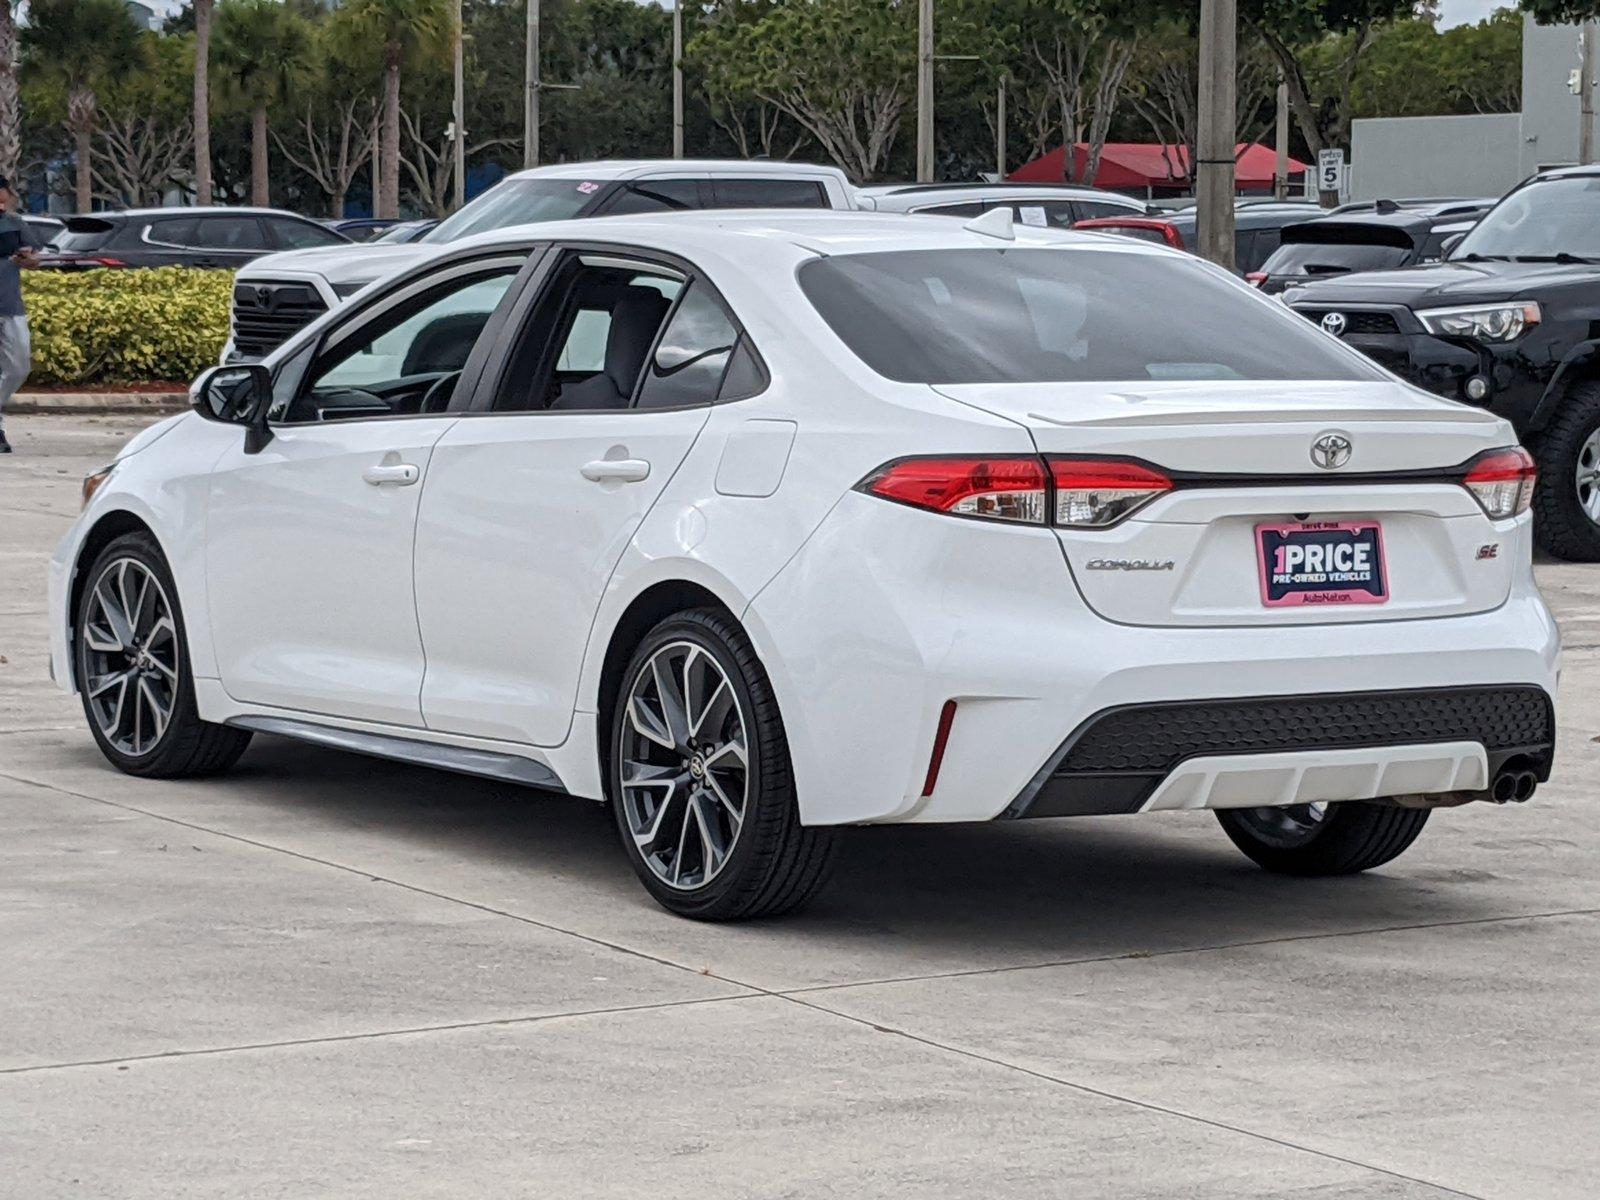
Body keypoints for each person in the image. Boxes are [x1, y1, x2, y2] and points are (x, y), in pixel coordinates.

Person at [0, 176, 43, 454]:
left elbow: (35, 259)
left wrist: (24, 260)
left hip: (10, 306)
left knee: (19, 366)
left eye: (4, 198)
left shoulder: (15, 224)